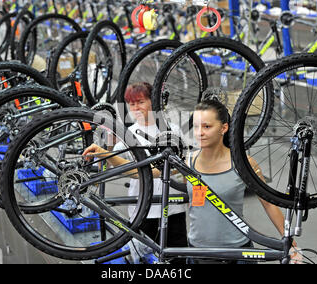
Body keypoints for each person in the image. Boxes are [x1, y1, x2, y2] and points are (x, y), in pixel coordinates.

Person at [186, 93, 299, 264]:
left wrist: (292, 245)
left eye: (207, 126)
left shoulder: (243, 163)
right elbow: (152, 172)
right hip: (197, 252)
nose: (199, 133)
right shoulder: (188, 161)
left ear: (224, 128)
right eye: (195, 127)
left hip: (237, 254)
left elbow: (269, 204)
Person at [83, 82, 188, 263]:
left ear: (153, 101)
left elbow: (185, 167)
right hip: (143, 210)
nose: (135, 108)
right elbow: (115, 166)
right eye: (131, 104)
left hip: (174, 208)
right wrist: (103, 152)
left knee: (176, 258)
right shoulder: (128, 134)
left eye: (140, 102)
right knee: (141, 258)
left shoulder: (173, 130)